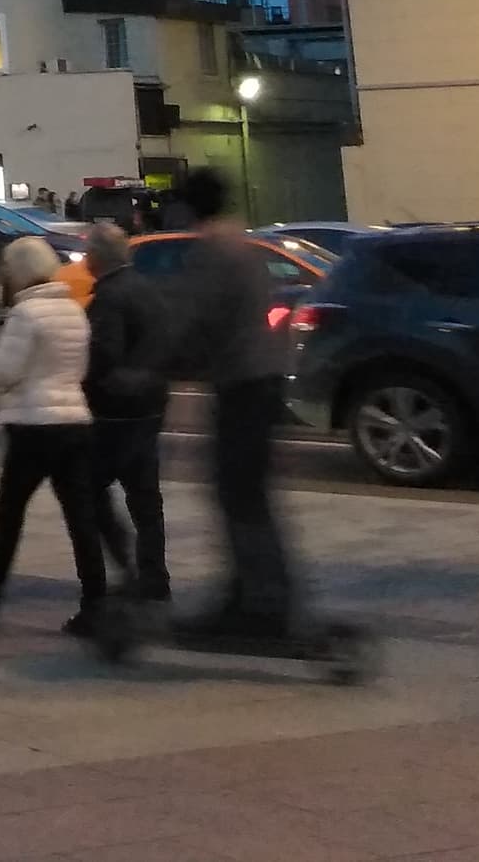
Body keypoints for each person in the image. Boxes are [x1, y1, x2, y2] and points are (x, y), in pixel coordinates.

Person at [0, 235, 105, 634]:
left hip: (33, 426)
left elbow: (5, 372)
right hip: (74, 422)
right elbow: (79, 370)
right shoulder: (73, 309)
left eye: (7, 268)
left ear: (20, 271)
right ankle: (96, 604)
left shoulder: (27, 313)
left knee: (9, 511)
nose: (5, 276)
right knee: (80, 516)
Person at [175, 168, 304, 640]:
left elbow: (198, 320)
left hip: (240, 385)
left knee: (238, 495)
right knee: (252, 495)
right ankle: (257, 592)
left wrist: (158, 363)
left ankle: (260, 603)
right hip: (262, 379)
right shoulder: (244, 246)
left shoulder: (211, 251)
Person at [80, 221, 172, 604]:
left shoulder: (110, 297)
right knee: (145, 497)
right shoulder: (147, 288)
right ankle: (153, 575)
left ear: (97, 257)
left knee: (88, 490)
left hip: (116, 412)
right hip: (150, 405)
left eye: (88, 251)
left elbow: (103, 354)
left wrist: (83, 381)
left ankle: (126, 569)